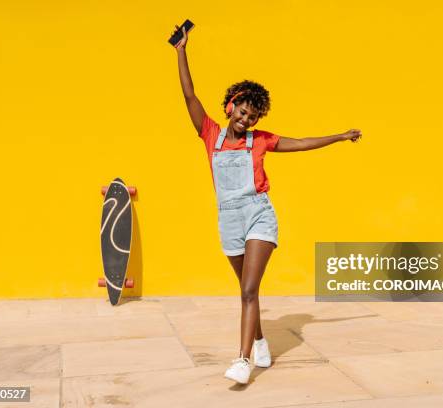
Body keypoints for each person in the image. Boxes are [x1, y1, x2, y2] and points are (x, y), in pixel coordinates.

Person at [172, 25, 361, 384]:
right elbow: (189, 95)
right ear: (230, 107)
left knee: (248, 290)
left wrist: (338, 136)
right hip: (228, 218)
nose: (245, 119)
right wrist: (181, 51)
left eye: (252, 116)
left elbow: (302, 142)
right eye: (241, 112)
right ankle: (259, 339)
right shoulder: (210, 133)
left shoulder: (261, 140)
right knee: (247, 291)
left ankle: (242, 361)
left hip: (259, 213)